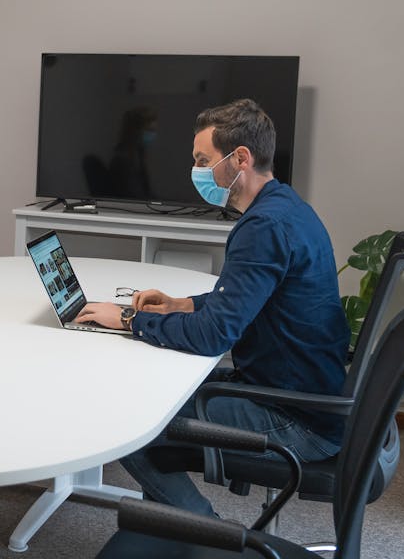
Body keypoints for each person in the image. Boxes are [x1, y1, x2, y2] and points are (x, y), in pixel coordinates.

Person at [73, 98, 349, 518]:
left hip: (294, 418)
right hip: (301, 394)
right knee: (157, 390)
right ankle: (168, 531)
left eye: (204, 160)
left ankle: (205, 533)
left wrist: (128, 318)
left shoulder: (264, 227)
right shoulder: (286, 207)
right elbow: (248, 300)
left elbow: (212, 337)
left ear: (241, 158)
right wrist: (182, 304)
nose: (198, 171)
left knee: (126, 417)